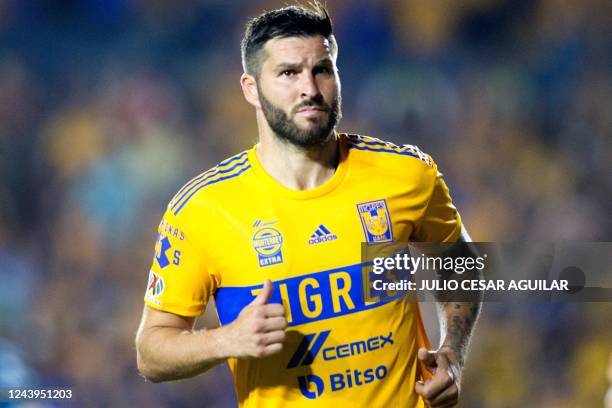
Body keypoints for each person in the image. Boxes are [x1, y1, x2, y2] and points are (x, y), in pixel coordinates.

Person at [135, 3, 481, 407]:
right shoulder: (203, 210)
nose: (310, 89)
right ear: (251, 88)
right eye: (288, 73)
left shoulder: (406, 175)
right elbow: (150, 353)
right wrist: (225, 340)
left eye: (322, 69)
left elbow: (462, 263)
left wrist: (453, 354)